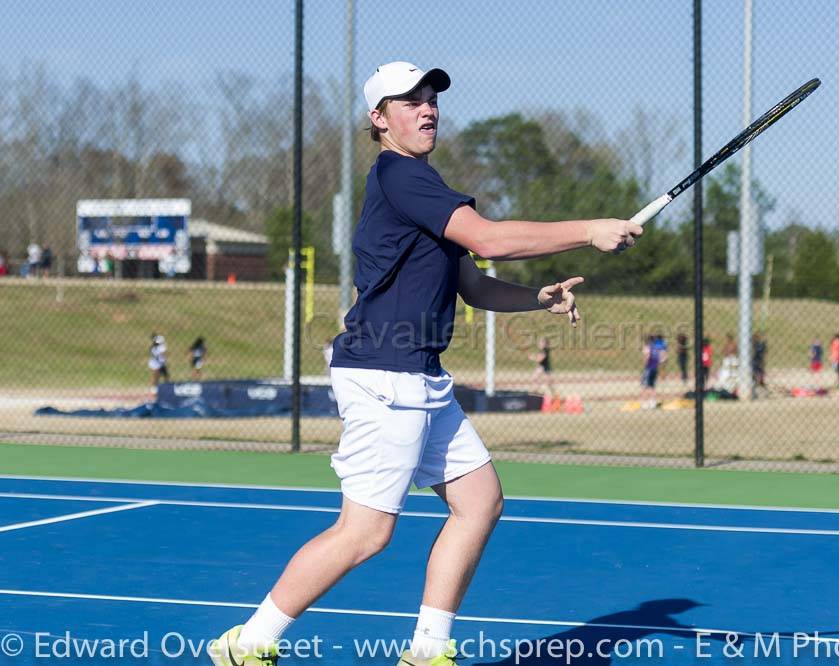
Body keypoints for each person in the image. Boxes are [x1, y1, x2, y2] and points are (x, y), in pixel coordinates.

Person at [208, 61, 642, 666]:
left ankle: (427, 651)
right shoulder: (398, 176)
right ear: (379, 119)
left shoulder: (425, 187)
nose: (426, 107)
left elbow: (473, 283)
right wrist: (590, 228)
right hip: (386, 375)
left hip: (419, 376)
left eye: (430, 97)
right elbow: (489, 239)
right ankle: (248, 643)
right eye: (408, 100)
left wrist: (534, 298)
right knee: (364, 534)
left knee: (480, 501)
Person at [640, 334, 662, 409]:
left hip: (648, 368)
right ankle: (653, 402)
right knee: (652, 386)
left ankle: (644, 403)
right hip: (655, 368)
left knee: (645, 386)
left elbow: (647, 356)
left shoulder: (647, 347)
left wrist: (645, 364)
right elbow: (661, 358)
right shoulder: (656, 348)